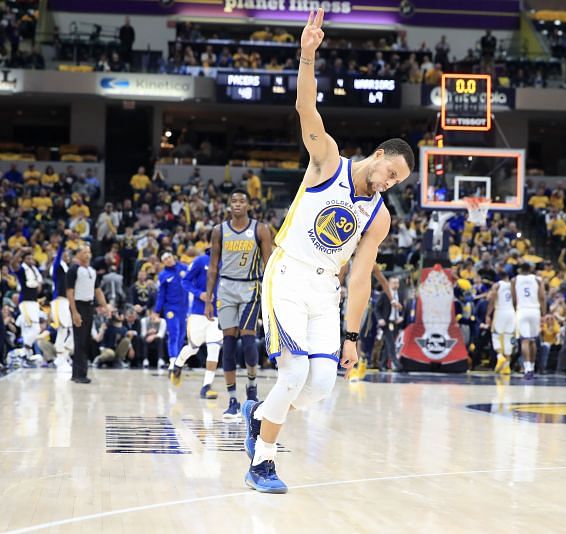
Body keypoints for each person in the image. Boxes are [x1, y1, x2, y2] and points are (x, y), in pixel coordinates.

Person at [235, 8, 414, 494]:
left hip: (324, 290)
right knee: (292, 374)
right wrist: (306, 57)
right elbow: (306, 110)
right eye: (391, 173)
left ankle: (261, 413)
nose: (390, 183)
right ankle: (262, 463)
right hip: (289, 273)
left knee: (318, 388)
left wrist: (352, 336)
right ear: (378, 156)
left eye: (398, 182)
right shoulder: (328, 161)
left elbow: (359, 279)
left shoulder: (378, 216)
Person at [204, 190, 272, 416]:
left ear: (249, 205)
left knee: (248, 338)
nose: (237, 204)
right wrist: (208, 299)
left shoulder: (260, 229)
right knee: (229, 343)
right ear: (228, 205)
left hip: (250, 287)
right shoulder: (219, 231)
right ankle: (232, 399)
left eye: (242, 201)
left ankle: (252, 385)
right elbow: (213, 266)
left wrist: (271, 296)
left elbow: (268, 265)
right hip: (226, 288)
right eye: (233, 201)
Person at [170, 248, 224, 400]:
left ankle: (206, 386)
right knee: (193, 348)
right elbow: (185, 281)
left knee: (214, 348)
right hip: (198, 313)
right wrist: (199, 293)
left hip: (218, 313)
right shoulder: (200, 261)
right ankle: (178, 364)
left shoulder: (228, 263)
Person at [67, 245, 108, 384]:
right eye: (84, 252)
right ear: (78, 254)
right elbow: (70, 292)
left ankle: (81, 372)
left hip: (89, 306)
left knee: (85, 340)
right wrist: (74, 312)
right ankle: (78, 374)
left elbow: (98, 291)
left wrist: (105, 306)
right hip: (78, 305)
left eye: (89, 252)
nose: (88, 255)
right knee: (79, 340)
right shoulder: (73, 269)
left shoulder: (92, 270)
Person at [154, 252, 188, 372]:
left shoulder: (184, 268)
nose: (168, 260)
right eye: (165, 259)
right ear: (163, 262)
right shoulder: (163, 275)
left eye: (169, 257)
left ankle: (178, 361)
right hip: (171, 308)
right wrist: (157, 311)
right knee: (174, 333)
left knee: (182, 335)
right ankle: (172, 360)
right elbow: (161, 295)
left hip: (184, 308)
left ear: (173, 257)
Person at [513, 263, 545, 379]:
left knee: (524, 341)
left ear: (520, 269)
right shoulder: (537, 279)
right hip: (535, 310)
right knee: (532, 340)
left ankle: (527, 369)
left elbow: (514, 298)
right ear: (531, 269)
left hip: (522, 310)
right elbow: (542, 297)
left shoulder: (515, 280)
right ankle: (532, 366)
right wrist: (544, 312)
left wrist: (515, 310)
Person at [50, 236, 74, 367]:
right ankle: (60, 357)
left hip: (67, 302)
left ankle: (64, 354)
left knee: (71, 329)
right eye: (66, 254)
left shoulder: (67, 269)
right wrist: (62, 245)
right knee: (63, 328)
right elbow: (58, 258)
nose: (68, 256)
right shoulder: (57, 267)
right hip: (59, 301)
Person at [485, 270, 515, 374]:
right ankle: (506, 366)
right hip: (512, 313)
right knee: (509, 337)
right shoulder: (513, 286)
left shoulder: (497, 285)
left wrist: (488, 314)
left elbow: (492, 300)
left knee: (496, 335)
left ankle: (500, 356)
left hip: (500, 311)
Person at [15, 251, 44, 353]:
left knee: (28, 330)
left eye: (32, 258)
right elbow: (13, 264)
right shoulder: (22, 270)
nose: (30, 261)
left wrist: (39, 284)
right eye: (28, 259)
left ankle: (25, 355)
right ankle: (24, 350)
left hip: (34, 302)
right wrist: (19, 251)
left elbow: (40, 283)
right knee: (35, 328)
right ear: (23, 260)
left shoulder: (35, 271)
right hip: (25, 302)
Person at [372, 276, 403, 372]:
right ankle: (397, 365)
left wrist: (401, 317)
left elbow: (403, 308)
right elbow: (376, 308)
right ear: (389, 284)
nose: (396, 285)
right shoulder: (384, 294)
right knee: (391, 344)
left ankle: (382, 364)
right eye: (394, 283)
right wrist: (380, 319)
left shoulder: (400, 295)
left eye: (397, 283)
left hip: (395, 323)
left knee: (388, 344)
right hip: (386, 323)